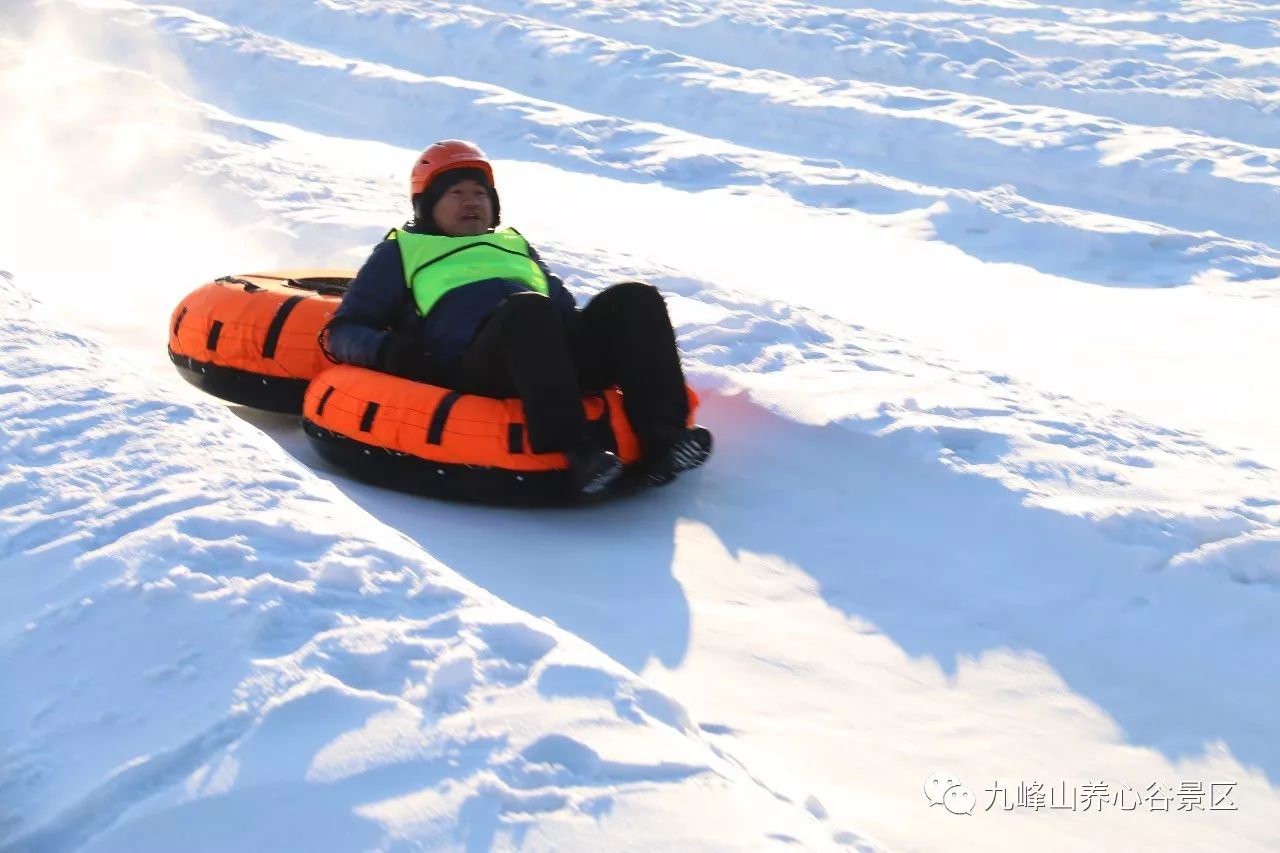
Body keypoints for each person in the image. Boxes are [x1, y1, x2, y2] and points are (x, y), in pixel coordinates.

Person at [320, 139, 712, 495]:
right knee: (527, 308)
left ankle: (663, 437)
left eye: (479, 193)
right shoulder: (402, 251)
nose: (471, 202)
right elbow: (341, 331)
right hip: (474, 362)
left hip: (544, 350)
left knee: (635, 297)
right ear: (427, 206)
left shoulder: (513, 244)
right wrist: (394, 352)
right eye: (456, 194)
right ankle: (577, 451)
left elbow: (562, 307)